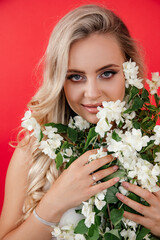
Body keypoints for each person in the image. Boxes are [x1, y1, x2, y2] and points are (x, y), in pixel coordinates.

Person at [0, 4, 160, 240]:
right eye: (75, 76)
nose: (92, 93)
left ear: (129, 70)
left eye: (107, 73)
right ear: (59, 80)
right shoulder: (34, 153)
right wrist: (54, 203)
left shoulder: (153, 148)